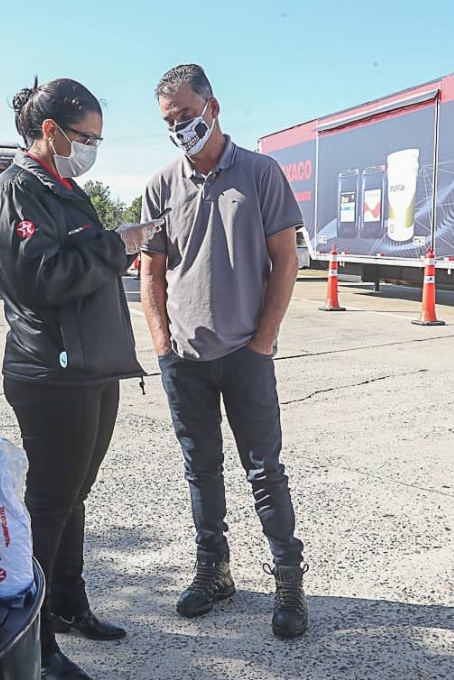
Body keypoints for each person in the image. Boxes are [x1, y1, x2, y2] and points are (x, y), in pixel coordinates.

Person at [0, 77, 162, 680]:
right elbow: (46, 278)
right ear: (51, 131)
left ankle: (69, 602)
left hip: (91, 369)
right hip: (49, 373)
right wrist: (120, 244)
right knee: (50, 503)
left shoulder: (62, 188)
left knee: (74, 495)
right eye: (85, 137)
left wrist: (116, 245)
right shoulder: (15, 192)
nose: (91, 149)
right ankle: (33, 637)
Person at [140, 64, 309, 639]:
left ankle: (288, 580)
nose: (179, 127)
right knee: (200, 471)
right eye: (170, 120)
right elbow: (152, 272)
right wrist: (162, 344)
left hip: (245, 355)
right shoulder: (161, 186)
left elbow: (286, 261)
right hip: (185, 360)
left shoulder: (261, 174)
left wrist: (263, 343)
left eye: (187, 115)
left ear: (213, 107)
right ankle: (214, 572)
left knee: (265, 471)